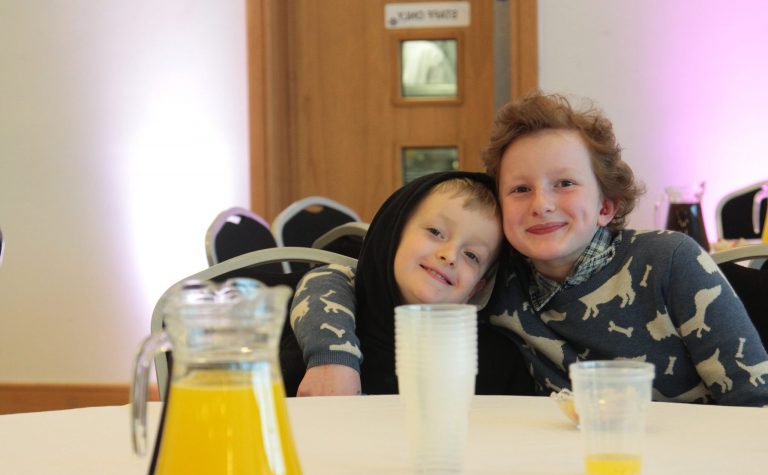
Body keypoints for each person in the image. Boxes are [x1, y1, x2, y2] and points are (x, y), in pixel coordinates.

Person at [295, 92, 768, 406]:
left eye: (564, 183)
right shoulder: (497, 279)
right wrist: (332, 354)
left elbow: (755, 402)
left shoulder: (669, 260)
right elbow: (334, 276)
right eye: (520, 189)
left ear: (606, 205)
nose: (542, 205)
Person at [289, 171, 533, 396]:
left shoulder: (499, 363)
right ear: (393, 235)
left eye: (472, 255)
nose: (449, 255)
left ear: (477, 288)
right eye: (435, 232)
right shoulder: (315, 333)